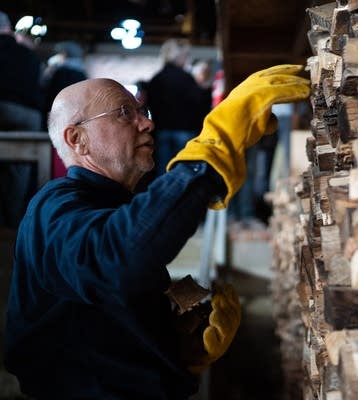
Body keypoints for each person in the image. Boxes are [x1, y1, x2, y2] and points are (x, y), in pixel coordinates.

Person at [4, 64, 310, 398]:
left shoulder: (111, 208)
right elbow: (118, 260)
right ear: (78, 140)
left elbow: (109, 309)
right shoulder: (54, 206)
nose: (147, 123)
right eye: (123, 113)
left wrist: (176, 344)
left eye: (142, 111)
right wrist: (212, 149)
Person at [0, 10, 44, 229]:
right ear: (8, 28)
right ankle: (14, 219)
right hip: (27, 115)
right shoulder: (29, 55)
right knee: (19, 169)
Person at [147, 39, 212, 178]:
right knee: (183, 171)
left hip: (162, 131)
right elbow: (200, 104)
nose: (187, 59)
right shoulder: (186, 78)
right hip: (185, 131)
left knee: (162, 172)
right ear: (179, 56)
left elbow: (151, 106)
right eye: (185, 55)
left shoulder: (157, 79)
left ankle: (163, 199)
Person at [41, 40, 89, 179]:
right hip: (79, 123)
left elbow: (51, 97)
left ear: (64, 54)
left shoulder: (60, 72)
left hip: (59, 122)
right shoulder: (82, 74)